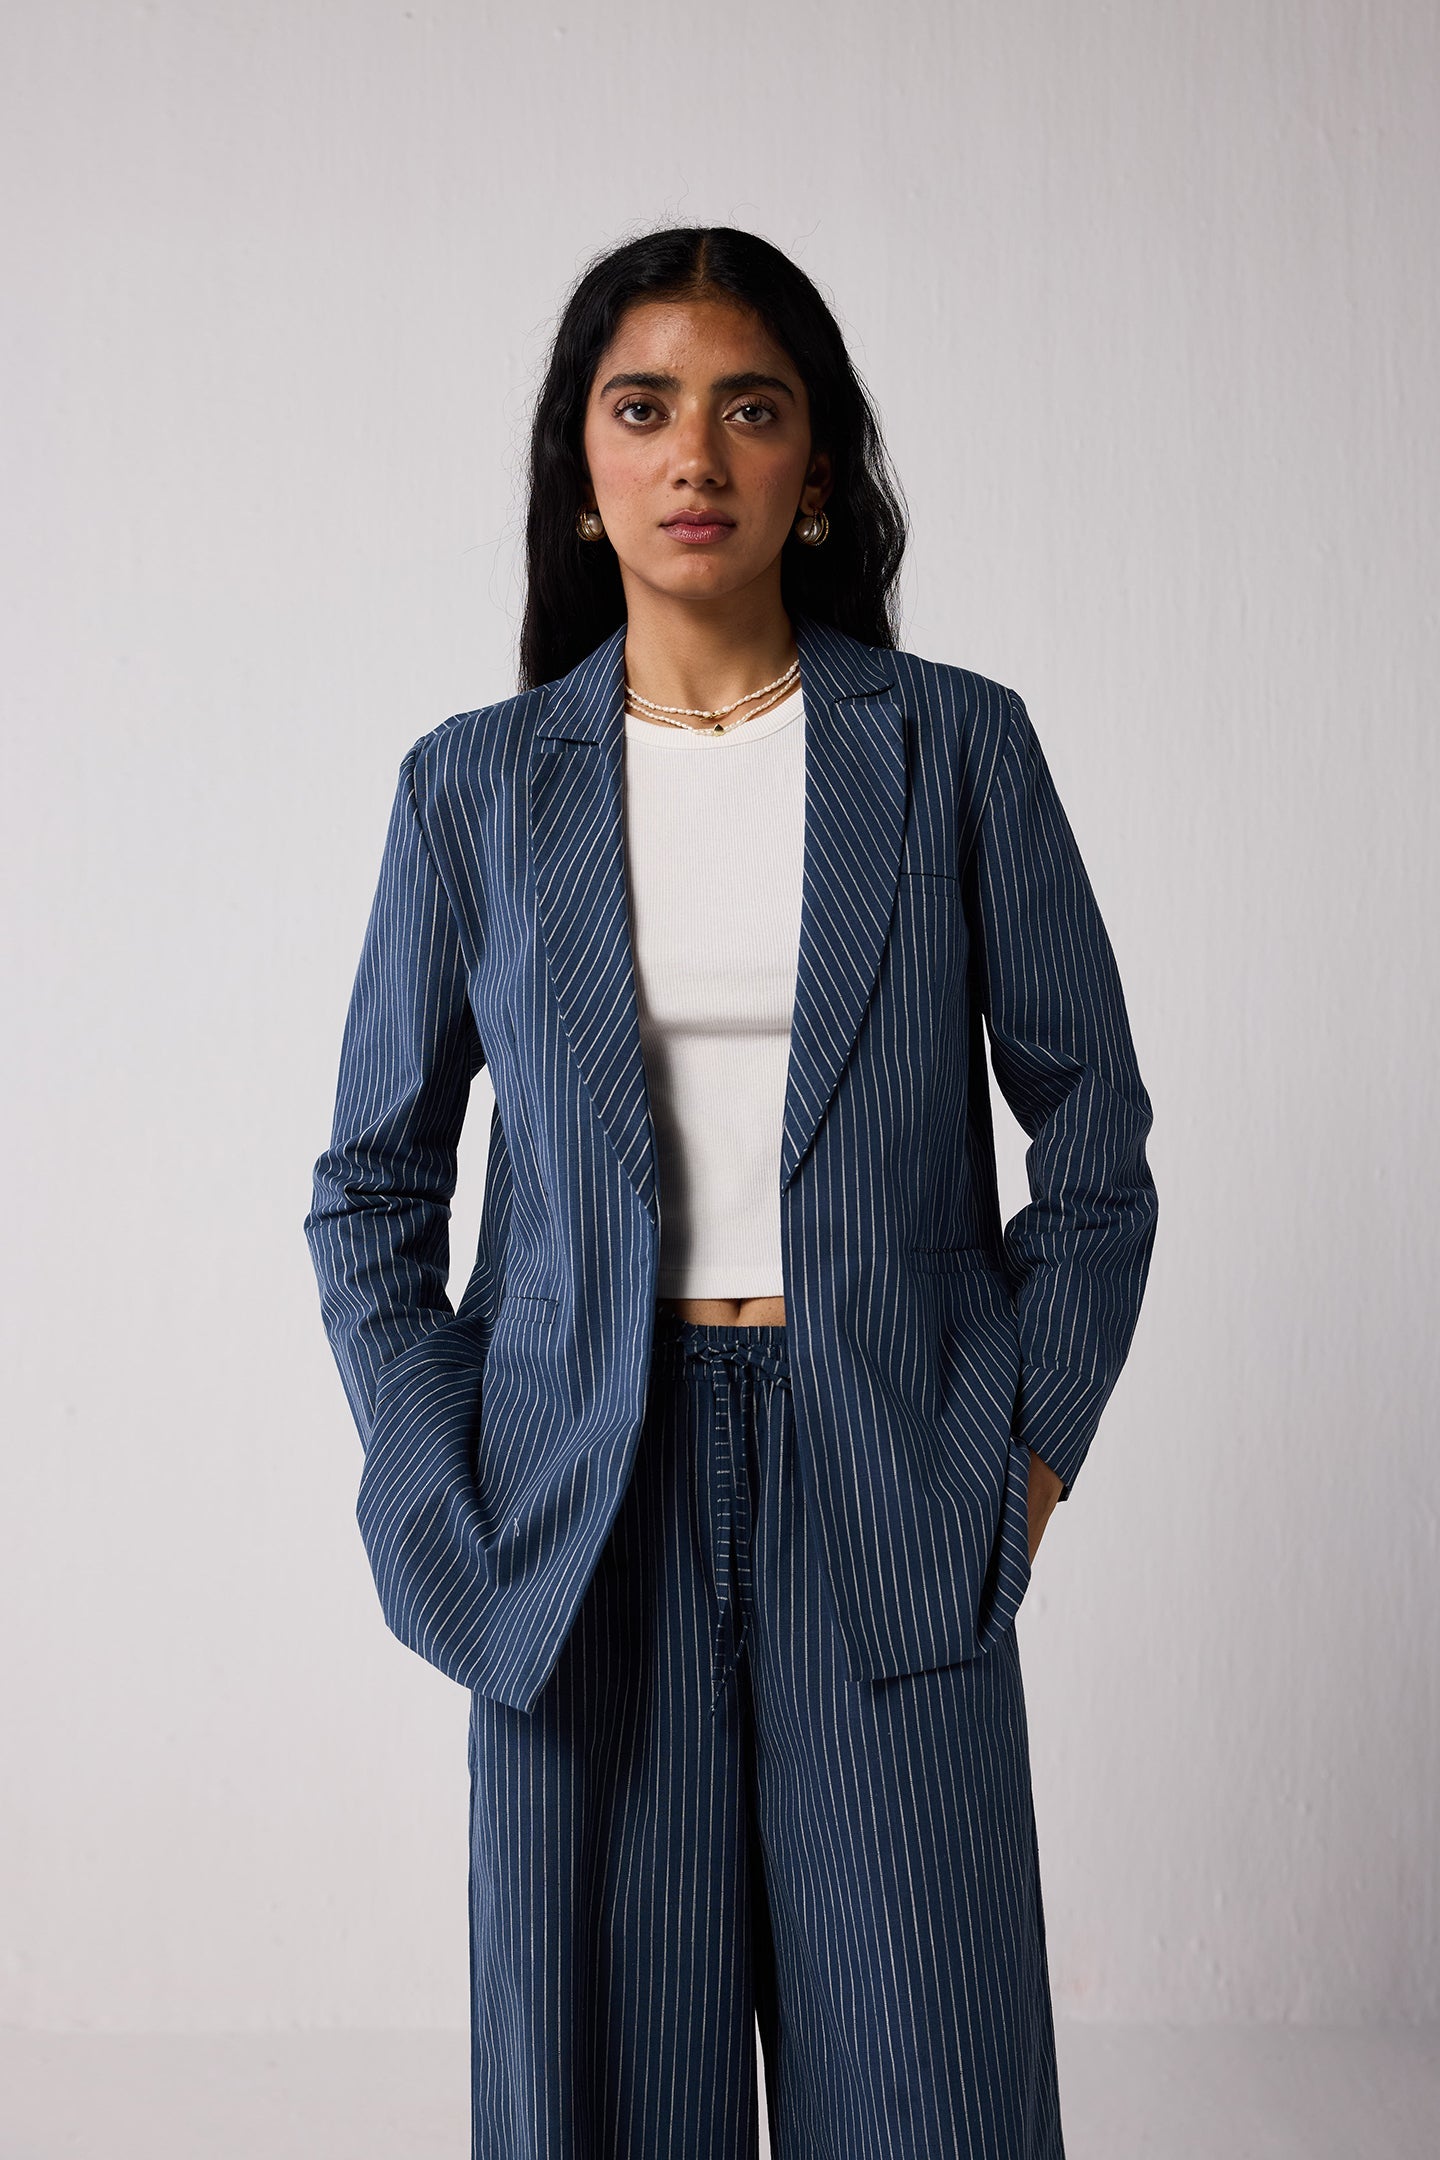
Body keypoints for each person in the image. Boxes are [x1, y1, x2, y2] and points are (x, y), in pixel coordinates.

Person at [304, 225, 1159, 2160]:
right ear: (583, 480)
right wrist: (444, 1489)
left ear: (817, 473)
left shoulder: (953, 751)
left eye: (749, 410)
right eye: (645, 408)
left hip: (891, 1473)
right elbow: (373, 1189)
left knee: (929, 2088)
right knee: (604, 2097)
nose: (697, 451)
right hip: (577, 1512)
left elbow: (1095, 1144)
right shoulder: (474, 790)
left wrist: (1021, 1456)